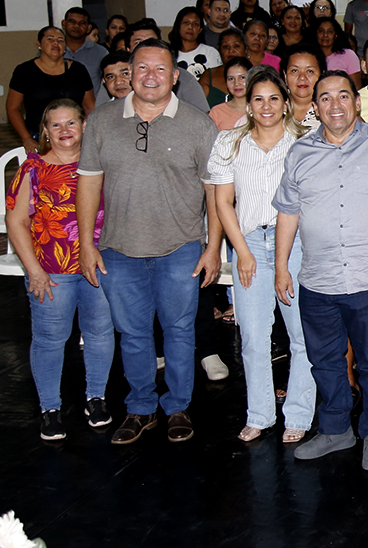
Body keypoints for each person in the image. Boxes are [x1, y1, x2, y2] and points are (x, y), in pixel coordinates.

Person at [76, 38, 222, 446]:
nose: (150, 76)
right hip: (118, 249)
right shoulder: (103, 120)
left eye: (160, 69)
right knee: (133, 333)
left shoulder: (198, 123)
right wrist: (87, 244)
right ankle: (140, 408)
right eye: (141, 68)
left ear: (175, 77)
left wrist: (212, 247)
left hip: (181, 247)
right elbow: (88, 183)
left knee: (178, 331)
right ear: (128, 74)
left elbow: (215, 190)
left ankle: (177, 406)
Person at [273, 71, 368, 471]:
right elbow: (288, 212)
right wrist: (281, 266)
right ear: (314, 107)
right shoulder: (299, 152)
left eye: (344, 96)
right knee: (326, 360)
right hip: (317, 279)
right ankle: (335, 430)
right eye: (326, 98)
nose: (336, 105)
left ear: (356, 102)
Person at [209, 66, 314, 445]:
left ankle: (298, 414)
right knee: (253, 336)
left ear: (286, 104)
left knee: (301, 335)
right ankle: (260, 414)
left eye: (274, 98)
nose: (266, 106)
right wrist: (241, 251)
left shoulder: (305, 141)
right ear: (248, 105)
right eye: (258, 99)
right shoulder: (230, 143)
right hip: (249, 241)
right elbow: (222, 201)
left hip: (297, 243)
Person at [6, 99, 113, 440]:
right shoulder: (33, 169)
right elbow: (17, 221)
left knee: (99, 334)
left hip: (98, 265)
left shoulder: (101, 166)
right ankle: (49, 408)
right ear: (45, 131)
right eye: (56, 125)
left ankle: (96, 399)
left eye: (71, 123)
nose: (65, 130)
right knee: (51, 339)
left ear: (85, 126)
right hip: (50, 269)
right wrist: (34, 271)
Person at [7, 27, 95, 155]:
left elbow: (89, 106)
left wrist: (90, 136)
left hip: (74, 137)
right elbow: (13, 108)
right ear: (39, 44)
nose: (56, 43)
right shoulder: (24, 71)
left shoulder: (78, 70)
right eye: (50, 39)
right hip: (38, 137)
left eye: (60, 40)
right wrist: (26, 138)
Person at [61, 7, 109, 103]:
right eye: (72, 22)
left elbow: (107, 81)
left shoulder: (101, 52)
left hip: (91, 111)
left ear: (88, 28)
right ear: (64, 24)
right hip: (59, 110)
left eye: (82, 23)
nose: (76, 26)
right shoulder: (53, 50)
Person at [281, 46, 325, 133]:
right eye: (295, 71)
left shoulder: (331, 109)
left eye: (309, 71)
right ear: (285, 76)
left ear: (322, 75)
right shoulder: (272, 108)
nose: (302, 78)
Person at [313, 16, 362, 83]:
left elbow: (356, 87)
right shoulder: (310, 56)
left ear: (336, 35)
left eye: (330, 32)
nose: (325, 35)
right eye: (321, 31)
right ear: (316, 34)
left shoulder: (348, 55)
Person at [209, 57, 253, 131]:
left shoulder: (261, 108)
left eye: (242, 78)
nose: (236, 83)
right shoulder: (217, 112)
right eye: (231, 79)